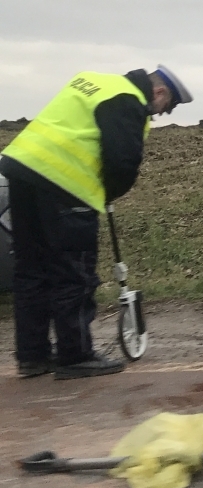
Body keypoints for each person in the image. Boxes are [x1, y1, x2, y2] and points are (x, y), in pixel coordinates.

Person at [0, 65, 193, 379]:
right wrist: (109, 193)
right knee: (73, 272)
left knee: (31, 268)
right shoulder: (128, 100)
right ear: (160, 93)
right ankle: (74, 355)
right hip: (65, 184)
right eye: (164, 109)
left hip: (21, 171)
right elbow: (122, 162)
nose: (158, 115)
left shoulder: (94, 81)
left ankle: (32, 356)